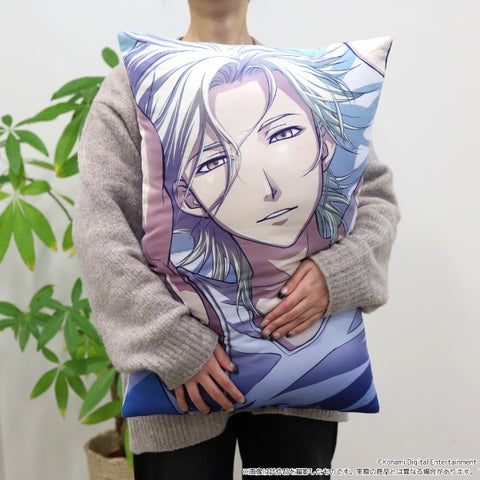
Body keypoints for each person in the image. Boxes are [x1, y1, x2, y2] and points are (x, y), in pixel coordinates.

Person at [73, 0, 400, 478]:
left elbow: (374, 198)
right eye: (213, 160)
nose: (264, 185)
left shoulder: (299, 79)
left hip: (305, 390)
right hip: (177, 387)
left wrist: (337, 274)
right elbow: (100, 229)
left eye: (282, 134)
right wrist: (173, 342)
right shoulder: (129, 87)